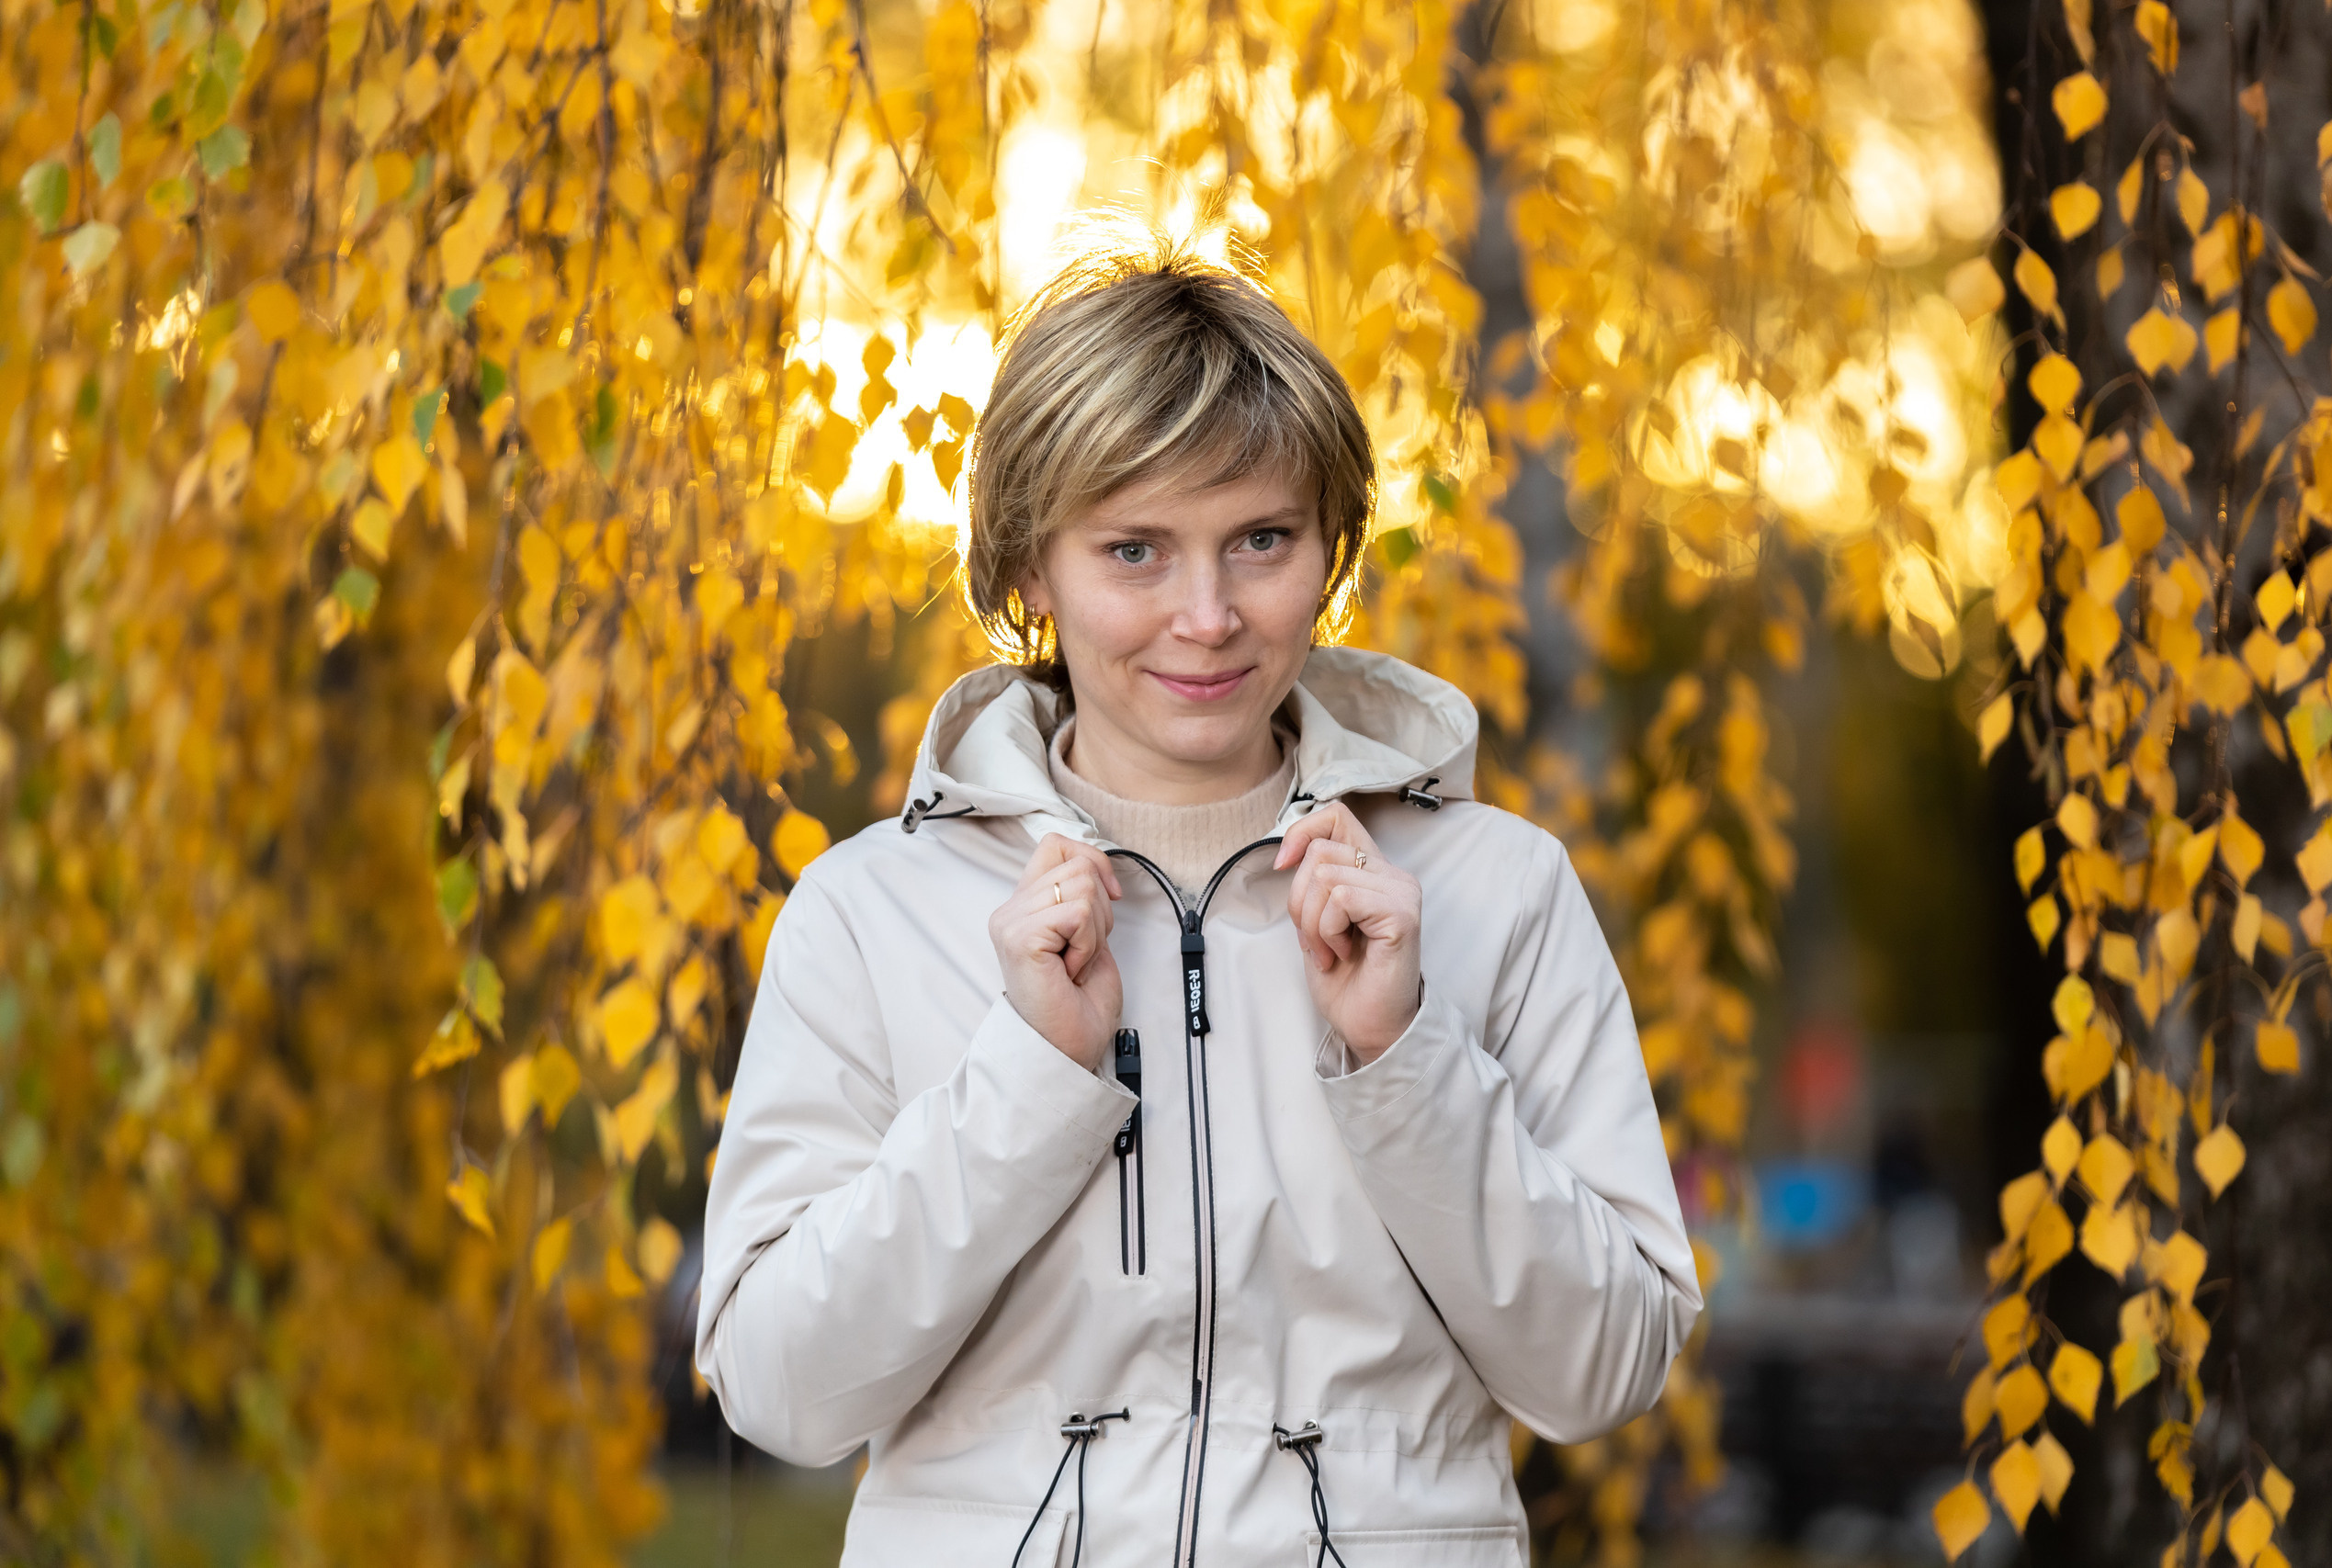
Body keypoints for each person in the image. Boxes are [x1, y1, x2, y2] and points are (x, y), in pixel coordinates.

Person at [695, 247, 1701, 1568]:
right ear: (1030, 577)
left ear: (1329, 550)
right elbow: (783, 1392)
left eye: (1261, 541)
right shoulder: (868, 911)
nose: (1210, 616)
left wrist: (1406, 1064)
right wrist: (1027, 1082)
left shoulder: (1494, 891)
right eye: (1135, 552)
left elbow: (1605, 1367)